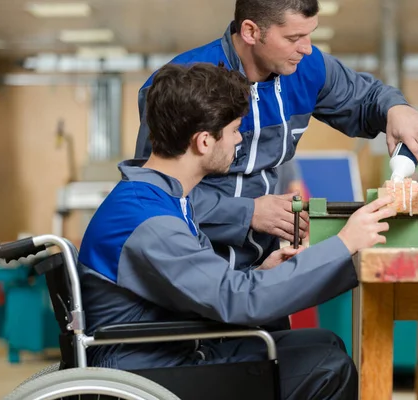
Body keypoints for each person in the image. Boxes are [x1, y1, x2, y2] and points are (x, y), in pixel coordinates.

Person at [79, 62, 396, 400]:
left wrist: (261, 271)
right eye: (233, 130)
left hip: (171, 351)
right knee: (327, 366)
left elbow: (208, 286)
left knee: (322, 343)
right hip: (152, 373)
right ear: (203, 141)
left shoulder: (160, 198)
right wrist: (344, 243)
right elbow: (240, 300)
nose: (239, 140)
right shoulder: (150, 222)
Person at [134, 2, 418, 312]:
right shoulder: (184, 88)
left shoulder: (306, 68)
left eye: (310, 34)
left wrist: (395, 108)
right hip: (191, 273)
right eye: (293, 38)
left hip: (264, 270)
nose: (306, 49)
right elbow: (156, 194)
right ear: (251, 31)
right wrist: (247, 212)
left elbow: (365, 97)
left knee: (306, 350)